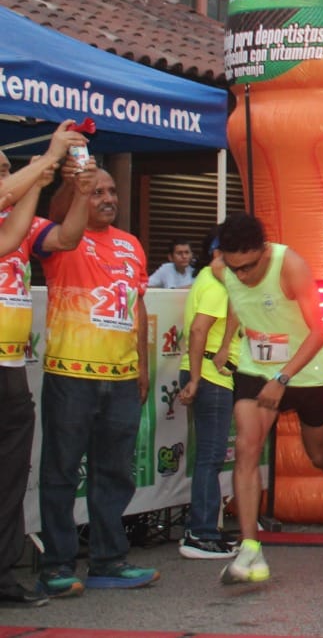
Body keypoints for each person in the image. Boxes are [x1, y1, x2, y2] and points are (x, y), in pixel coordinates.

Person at [37, 161, 161, 596]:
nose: (108, 199)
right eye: (97, 192)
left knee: (114, 474)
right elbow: (55, 212)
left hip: (124, 377)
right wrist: (73, 184)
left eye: (111, 192)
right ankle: (56, 566)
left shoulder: (130, 244)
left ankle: (109, 561)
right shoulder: (59, 239)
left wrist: (144, 368)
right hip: (71, 374)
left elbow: (138, 307)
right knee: (61, 473)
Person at [217, 212, 323, 585]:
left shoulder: (289, 265)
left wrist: (283, 378)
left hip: (307, 370)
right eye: (236, 269)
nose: (243, 275)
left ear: (263, 251)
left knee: (318, 453)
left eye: (249, 267)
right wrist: (225, 344)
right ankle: (250, 548)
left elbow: (319, 332)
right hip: (255, 368)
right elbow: (237, 299)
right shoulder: (223, 268)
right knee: (248, 447)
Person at [0, 124, 91, 605]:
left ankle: (2, 576)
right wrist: (44, 164)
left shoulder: (21, 217)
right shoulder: (12, 212)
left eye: (7, 167)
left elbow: (68, 237)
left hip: (11, 367)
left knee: (10, 478)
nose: (7, 174)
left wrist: (78, 190)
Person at [175, 236, 241, 560]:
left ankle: (204, 530)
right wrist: (197, 379)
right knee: (210, 458)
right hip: (211, 374)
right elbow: (199, 330)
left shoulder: (212, 280)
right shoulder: (215, 285)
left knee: (210, 457)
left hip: (210, 373)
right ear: (219, 254)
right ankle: (200, 533)